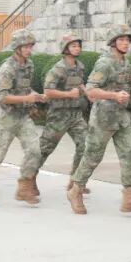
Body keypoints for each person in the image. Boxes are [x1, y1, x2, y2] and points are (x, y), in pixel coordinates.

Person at [65, 25, 131, 215]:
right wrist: (113, 96)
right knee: (93, 156)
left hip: (122, 117)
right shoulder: (105, 63)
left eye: (128, 40)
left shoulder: (126, 63)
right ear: (113, 43)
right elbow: (91, 90)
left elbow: (127, 89)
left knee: (130, 155)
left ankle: (128, 199)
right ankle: (76, 190)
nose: (125, 43)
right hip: (103, 117)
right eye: (121, 40)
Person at [0, 29, 46, 207]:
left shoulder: (29, 65)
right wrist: (27, 98)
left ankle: (24, 186)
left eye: (30, 46)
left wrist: (35, 96)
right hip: (6, 118)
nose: (29, 49)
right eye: (25, 46)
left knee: (35, 151)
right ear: (17, 47)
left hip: (23, 117)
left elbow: (25, 89)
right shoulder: (7, 69)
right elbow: (2, 97)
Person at [37, 33, 88, 191]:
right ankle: (28, 179)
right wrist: (68, 94)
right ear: (65, 49)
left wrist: (89, 94)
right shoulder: (57, 69)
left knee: (86, 146)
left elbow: (80, 85)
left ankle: (75, 181)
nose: (77, 48)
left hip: (76, 115)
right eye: (73, 46)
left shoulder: (79, 66)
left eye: (78, 45)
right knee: (44, 150)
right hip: (59, 115)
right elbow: (48, 91)